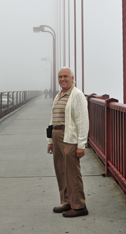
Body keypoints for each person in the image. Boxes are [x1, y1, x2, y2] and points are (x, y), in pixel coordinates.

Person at [46, 67, 89, 218]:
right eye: (60, 77)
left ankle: (79, 205)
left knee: (72, 172)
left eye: (65, 76)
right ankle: (67, 202)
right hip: (57, 135)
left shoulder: (77, 95)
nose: (62, 79)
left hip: (69, 135)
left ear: (72, 78)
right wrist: (50, 140)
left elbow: (83, 121)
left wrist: (81, 145)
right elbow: (53, 119)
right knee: (61, 170)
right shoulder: (59, 95)